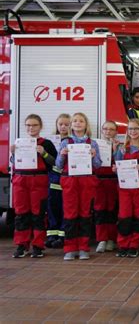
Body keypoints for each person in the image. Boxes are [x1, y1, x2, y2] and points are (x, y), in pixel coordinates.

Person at [10, 114, 58, 258]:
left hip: (39, 180)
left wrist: (43, 153)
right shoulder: (19, 143)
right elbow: (14, 162)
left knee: (38, 214)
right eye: (28, 125)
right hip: (20, 180)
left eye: (34, 125)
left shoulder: (46, 143)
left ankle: (38, 246)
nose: (31, 128)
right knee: (21, 214)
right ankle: (21, 245)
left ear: (40, 126)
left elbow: (54, 162)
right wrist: (13, 153)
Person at [56, 112, 102, 261]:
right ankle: (70, 249)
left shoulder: (92, 143)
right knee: (70, 214)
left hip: (86, 181)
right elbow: (58, 165)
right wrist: (62, 154)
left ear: (86, 124)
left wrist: (94, 156)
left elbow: (98, 165)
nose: (77, 123)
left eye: (81, 121)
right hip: (70, 181)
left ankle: (83, 248)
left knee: (85, 214)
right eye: (75, 121)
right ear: (71, 125)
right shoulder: (65, 142)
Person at [114, 119, 139, 258]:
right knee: (124, 216)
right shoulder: (122, 149)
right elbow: (116, 167)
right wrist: (115, 169)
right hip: (125, 187)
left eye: (136, 129)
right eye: (130, 129)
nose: (133, 132)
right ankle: (123, 245)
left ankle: (134, 246)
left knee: (138, 216)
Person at [94, 121, 121, 254]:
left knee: (112, 210)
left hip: (112, 181)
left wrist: (115, 151)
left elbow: (121, 164)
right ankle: (101, 239)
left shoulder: (119, 146)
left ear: (116, 131)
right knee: (99, 210)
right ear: (101, 131)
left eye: (111, 129)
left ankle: (111, 239)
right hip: (98, 181)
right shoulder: (95, 145)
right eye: (105, 129)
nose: (108, 132)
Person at [45, 113, 70, 249]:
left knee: (65, 209)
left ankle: (62, 236)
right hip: (53, 179)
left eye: (66, 124)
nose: (63, 126)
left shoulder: (73, 141)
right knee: (52, 208)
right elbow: (48, 161)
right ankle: (51, 235)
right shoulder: (50, 142)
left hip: (66, 179)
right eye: (60, 124)